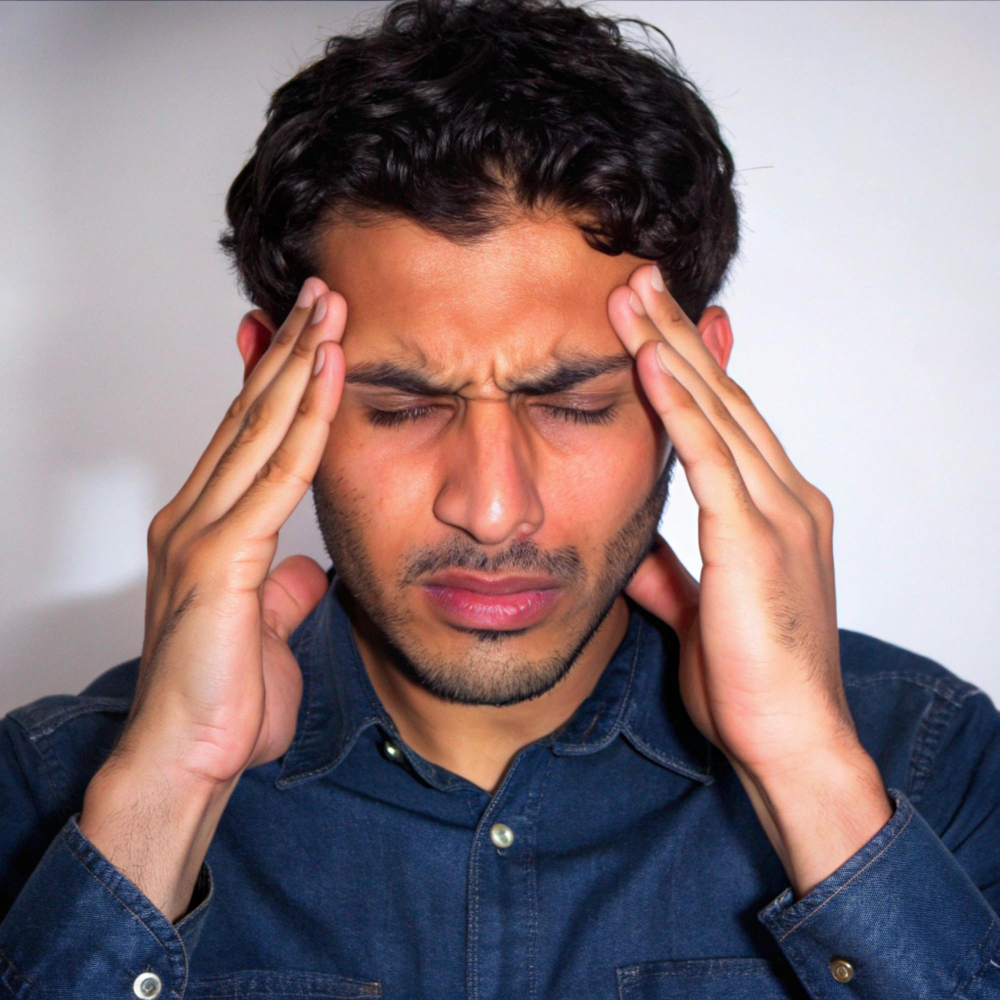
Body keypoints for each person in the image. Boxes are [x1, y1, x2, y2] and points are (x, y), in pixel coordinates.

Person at [2, 0, 998, 996]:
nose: (489, 509)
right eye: (400, 406)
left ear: (698, 384)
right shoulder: (51, 793)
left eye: (573, 404)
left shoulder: (927, 765)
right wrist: (167, 791)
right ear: (270, 384)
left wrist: (810, 776)